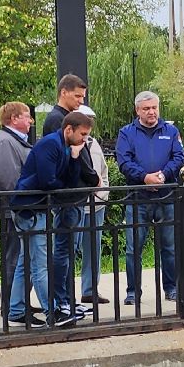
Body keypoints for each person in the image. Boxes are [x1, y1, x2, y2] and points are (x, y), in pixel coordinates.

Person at [10, 110, 96, 327]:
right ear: (69, 129)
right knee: (40, 264)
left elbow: (69, 177)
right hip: (29, 208)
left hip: (36, 207)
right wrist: (65, 190)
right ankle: (53, 312)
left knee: (25, 262)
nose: (84, 140)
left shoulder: (66, 146)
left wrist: (75, 158)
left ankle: (16, 309)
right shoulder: (51, 144)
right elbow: (49, 181)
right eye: (82, 134)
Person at [115, 90, 184, 307]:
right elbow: (124, 162)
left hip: (167, 197)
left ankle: (171, 288)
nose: (151, 112)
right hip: (138, 198)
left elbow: (179, 157)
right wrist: (144, 177)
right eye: (146, 109)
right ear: (137, 110)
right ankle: (132, 291)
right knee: (133, 248)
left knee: (170, 247)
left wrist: (164, 175)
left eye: (154, 107)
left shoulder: (171, 131)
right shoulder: (126, 133)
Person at [0, 101, 35, 316]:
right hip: (13, 210)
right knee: (14, 259)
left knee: (22, 258)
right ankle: (11, 305)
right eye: (27, 116)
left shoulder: (14, 140)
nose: (31, 121)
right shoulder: (6, 142)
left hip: (18, 209)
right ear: (14, 119)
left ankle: (20, 301)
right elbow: (11, 180)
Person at [75, 104, 110, 306]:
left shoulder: (93, 144)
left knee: (93, 249)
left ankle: (89, 290)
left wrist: (103, 192)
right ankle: (65, 293)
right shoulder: (71, 144)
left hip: (96, 205)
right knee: (70, 249)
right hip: (77, 205)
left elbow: (103, 172)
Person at [42, 74, 87, 138]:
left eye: (83, 97)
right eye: (77, 96)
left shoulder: (62, 117)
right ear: (63, 93)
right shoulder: (56, 119)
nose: (82, 101)